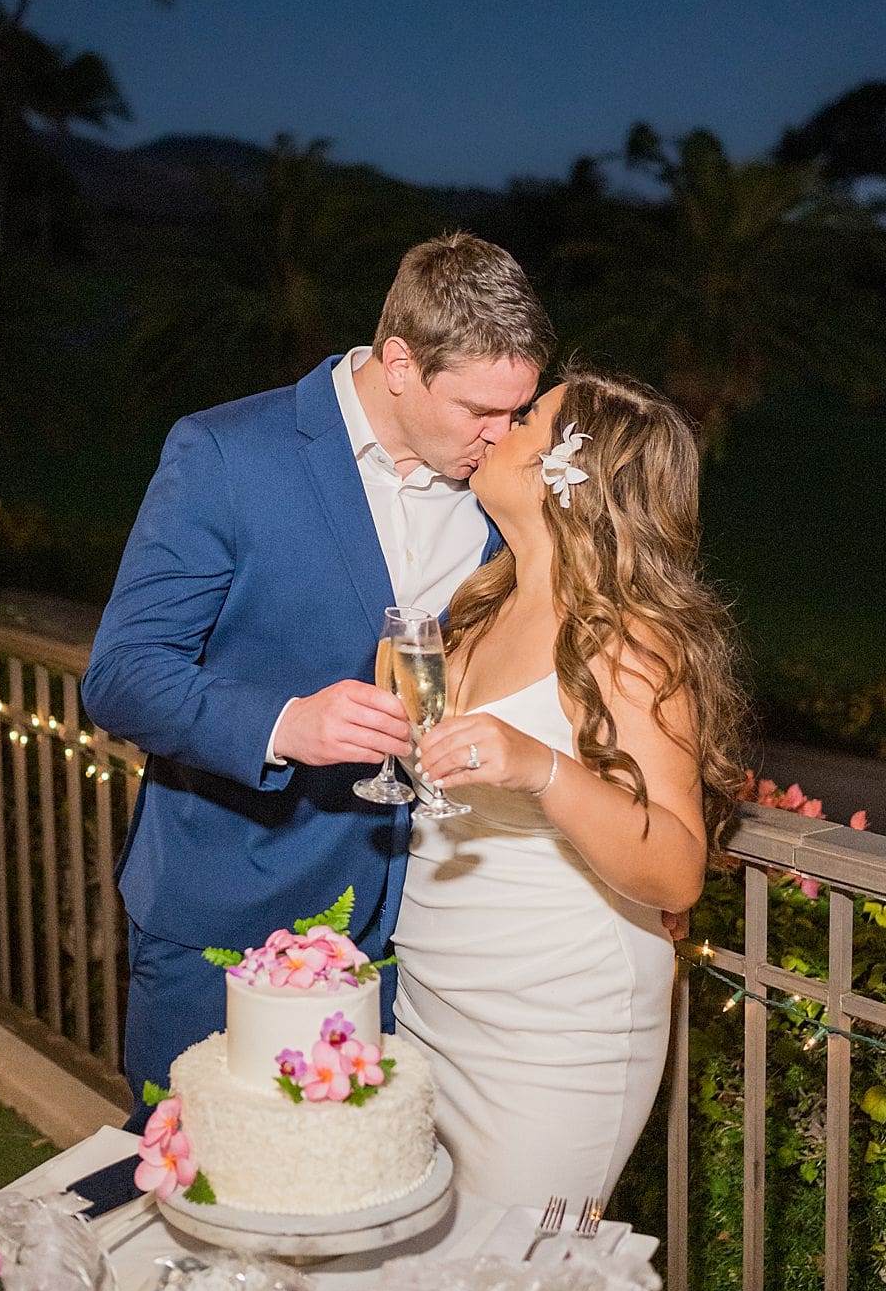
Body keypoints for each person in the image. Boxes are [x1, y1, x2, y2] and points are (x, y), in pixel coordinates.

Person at [80, 233, 551, 1124]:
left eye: (518, 409)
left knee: (358, 1205)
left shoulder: (499, 490)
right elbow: (122, 674)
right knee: (200, 1198)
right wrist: (284, 725)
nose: (503, 436)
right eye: (482, 409)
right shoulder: (226, 453)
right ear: (402, 363)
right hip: (228, 909)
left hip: (411, 930)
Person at [391, 368, 746, 1208]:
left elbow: (677, 867)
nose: (497, 426)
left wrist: (543, 768)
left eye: (526, 417)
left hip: (552, 1025)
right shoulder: (474, 609)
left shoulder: (627, 642)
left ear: (571, 471)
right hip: (432, 1001)